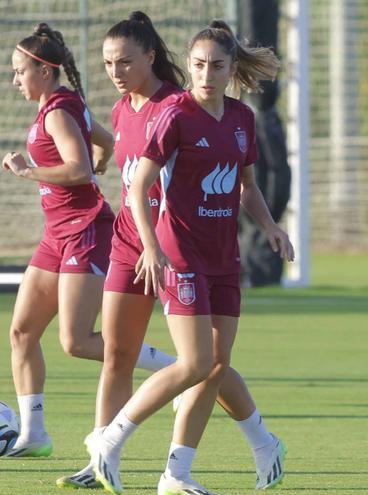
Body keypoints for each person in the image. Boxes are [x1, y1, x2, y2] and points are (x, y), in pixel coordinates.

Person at [58, 12, 288, 491]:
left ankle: (188, 466)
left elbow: (244, 185)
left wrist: (269, 225)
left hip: (201, 252)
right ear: (189, 63)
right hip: (157, 247)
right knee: (133, 355)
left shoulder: (212, 114)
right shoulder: (141, 110)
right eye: (107, 63)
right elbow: (135, 181)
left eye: (124, 61)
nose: (115, 71)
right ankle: (105, 447)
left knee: (210, 365)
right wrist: (149, 242)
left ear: (151, 58)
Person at [1, 23, 175, 458]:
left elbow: (78, 169)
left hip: (85, 231)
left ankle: (175, 370)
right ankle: (34, 434)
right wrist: (99, 157)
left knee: (76, 342)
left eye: (20, 71)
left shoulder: (58, 111)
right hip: (55, 235)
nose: (15, 80)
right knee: (22, 332)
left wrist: (28, 172)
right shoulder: (64, 105)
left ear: (44, 71)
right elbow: (107, 142)